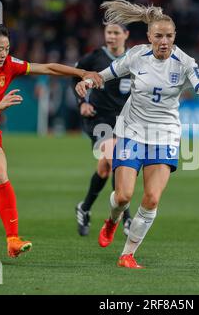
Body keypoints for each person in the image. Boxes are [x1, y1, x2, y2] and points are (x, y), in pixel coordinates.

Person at [75, 0, 199, 269]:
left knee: (152, 198)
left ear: (174, 37)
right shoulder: (136, 56)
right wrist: (88, 81)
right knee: (122, 197)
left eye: (169, 36)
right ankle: (112, 220)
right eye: (158, 36)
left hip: (164, 136)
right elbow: (105, 74)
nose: (164, 41)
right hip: (131, 131)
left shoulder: (185, 63)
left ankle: (127, 255)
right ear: (149, 37)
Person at [0, 24, 102, 262]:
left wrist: (81, 73)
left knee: (0, 175)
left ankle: (13, 240)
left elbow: (47, 67)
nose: (3, 55)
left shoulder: (8, 64)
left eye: (7, 49)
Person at [71, 23, 133, 237]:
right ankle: (127, 218)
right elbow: (75, 76)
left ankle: (84, 207)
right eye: (108, 32)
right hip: (98, 118)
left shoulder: (133, 59)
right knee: (116, 158)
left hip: (125, 121)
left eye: (116, 33)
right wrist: (82, 103)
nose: (112, 36)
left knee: (105, 168)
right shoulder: (95, 57)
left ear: (126, 35)